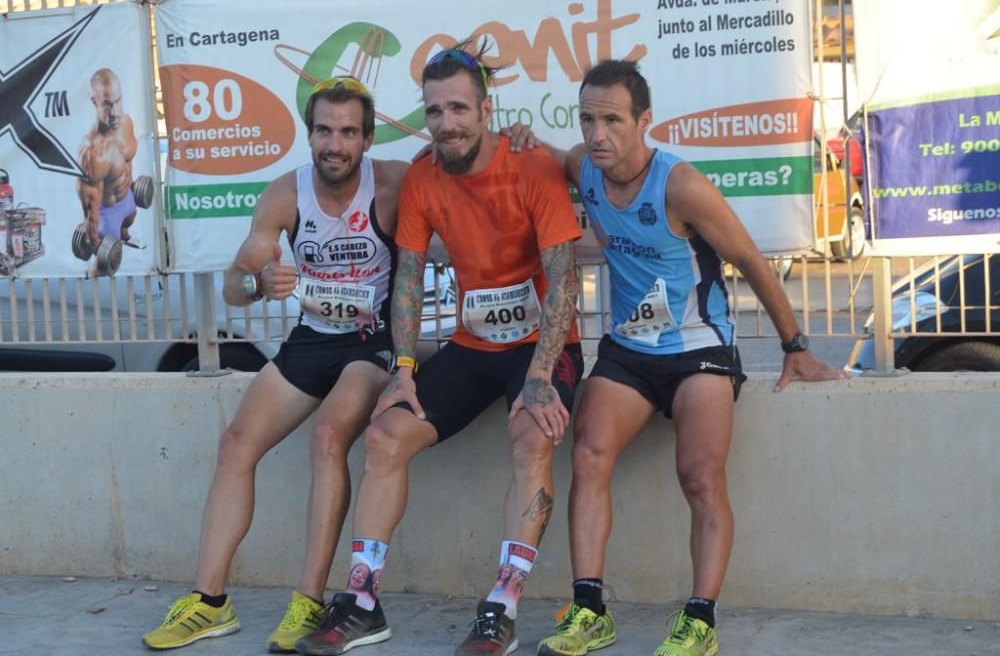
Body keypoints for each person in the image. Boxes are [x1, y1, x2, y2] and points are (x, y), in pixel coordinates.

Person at [503, 60, 847, 656]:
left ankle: (700, 620)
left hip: (698, 348)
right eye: (588, 119)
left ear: (644, 121)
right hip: (630, 352)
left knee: (699, 475)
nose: (598, 134)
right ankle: (588, 610)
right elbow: (555, 157)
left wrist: (796, 348)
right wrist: (528, 141)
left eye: (612, 120)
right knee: (587, 456)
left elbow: (752, 261)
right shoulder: (585, 166)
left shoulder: (680, 185)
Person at [295, 44, 583, 656]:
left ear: (485, 109)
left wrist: (538, 376)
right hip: (473, 345)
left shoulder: (531, 166)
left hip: (543, 346)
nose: (447, 122)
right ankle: (362, 600)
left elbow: (564, 278)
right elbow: (406, 276)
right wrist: (401, 370)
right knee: (384, 435)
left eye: (458, 107)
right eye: (434, 111)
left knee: (532, 435)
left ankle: (500, 606)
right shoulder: (424, 175)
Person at [141, 76, 409, 652]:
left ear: (367, 139)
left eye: (348, 132)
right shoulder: (285, 196)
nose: (334, 144)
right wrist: (261, 284)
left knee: (330, 434)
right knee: (237, 442)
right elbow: (235, 286)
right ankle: (210, 602)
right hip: (313, 337)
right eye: (324, 131)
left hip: (373, 341)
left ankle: (307, 602)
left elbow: (461, 173)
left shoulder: (391, 185)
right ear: (309, 134)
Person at [76, 68, 140, 276]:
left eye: (117, 102)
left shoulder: (127, 122)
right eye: (106, 104)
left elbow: (129, 162)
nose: (114, 111)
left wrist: (132, 189)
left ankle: (125, 233)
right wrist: (94, 241)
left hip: (128, 201)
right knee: (102, 271)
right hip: (107, 217)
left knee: (129, 219)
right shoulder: (94, 153)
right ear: (94, 101)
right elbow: (91, 207)